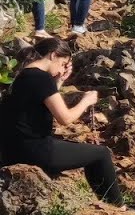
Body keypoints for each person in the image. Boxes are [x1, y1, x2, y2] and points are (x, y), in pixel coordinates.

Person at [0, 38, 122, 204]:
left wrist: (59, 81)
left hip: (12, 149)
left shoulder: (24, 75)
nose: (62, 69)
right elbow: (65, 118)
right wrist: (86, 101)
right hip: (35, 150)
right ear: (53, 55)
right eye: (63, 63)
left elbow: (42, 100)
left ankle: (109, 204)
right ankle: (117, 207)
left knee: (87, 152)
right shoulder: (41, 78)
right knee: (101, 154)